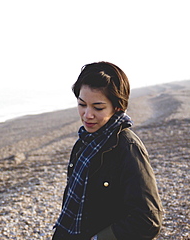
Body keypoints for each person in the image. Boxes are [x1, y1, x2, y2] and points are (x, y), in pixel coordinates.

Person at [52, 62, 163, 240]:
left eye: (98, 107)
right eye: (82, 104)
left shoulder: (128, 148)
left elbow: (148, 219)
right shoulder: (84, 142)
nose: (87, 115)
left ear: (117, 107)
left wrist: (99, 238)